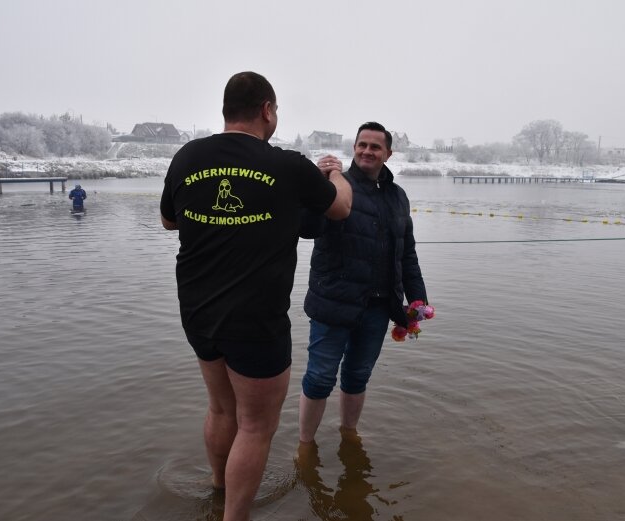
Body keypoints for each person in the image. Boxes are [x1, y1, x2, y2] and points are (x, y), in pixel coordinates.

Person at [159, 71, 352, 521]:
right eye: (276, 110)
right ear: (267, 109)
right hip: (256, 319)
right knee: (256, 425)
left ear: (226, 110)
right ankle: (235, 516)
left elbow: (170, 221)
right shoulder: (286, 164)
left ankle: (217, 487)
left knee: (222, 409)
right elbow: (339, 208)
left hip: (198, 312)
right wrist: (337, 176)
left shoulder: (187, 157)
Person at [298, 121, 427, 444]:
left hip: (379, 306)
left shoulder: (398, 197)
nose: (367, 151)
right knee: (319, 378)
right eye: (362, 145)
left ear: (388, 153)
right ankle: (305, 445)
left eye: (375, 146)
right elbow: (308, 226)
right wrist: (317, 181)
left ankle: (348, 435)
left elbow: (406, 253)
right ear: (353, 148)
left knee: (357, 377)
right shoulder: (335, 186)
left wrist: (417, 301)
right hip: (333, 303)